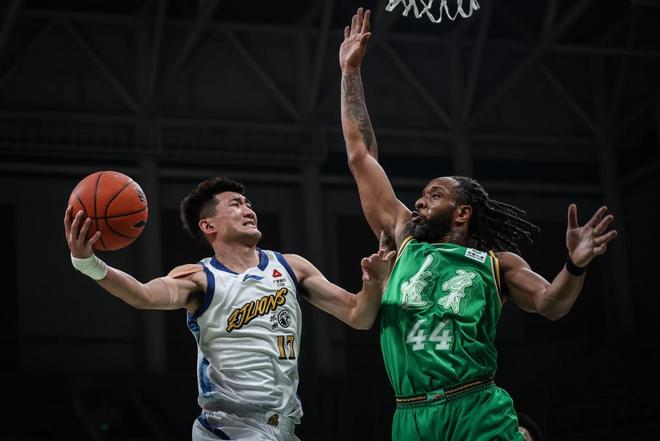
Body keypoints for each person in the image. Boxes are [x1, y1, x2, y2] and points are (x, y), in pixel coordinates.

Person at [339, 7, 618, 441]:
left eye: (434, 195)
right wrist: (350, 72)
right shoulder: (405, 239)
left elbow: (551, 304)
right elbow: (361, 155)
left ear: (462, 213)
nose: (419, 201)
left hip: (475, 407)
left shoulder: (496, 264)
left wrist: (575, 265)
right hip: (410, 414)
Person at [64, 176, 394, 441]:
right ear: (208, 226)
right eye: (235, 204)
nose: (248, 209)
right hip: (229, 426)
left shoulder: (291, 267)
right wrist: (88, 263)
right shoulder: (200, 277)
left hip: (282, 427)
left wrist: (374, 284)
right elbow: (143, 295)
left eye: (248, 204)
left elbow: (359, 316)